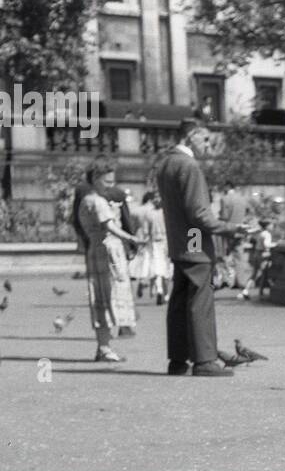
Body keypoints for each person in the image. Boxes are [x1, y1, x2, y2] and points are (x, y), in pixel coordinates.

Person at [154, 116, 235, 377]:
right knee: (201, 301)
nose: (207, 145)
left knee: (179, 301)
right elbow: (199, 214)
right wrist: (231, 228)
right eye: (205, 138)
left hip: (180, 241)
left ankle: (177, 360)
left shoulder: (165, 163)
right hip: (195, 242)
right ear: (191, 136)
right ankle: (205, 360)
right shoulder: (189, 166)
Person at [76, 159, 142, 363]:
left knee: (100, 299)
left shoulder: (85, 200)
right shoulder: (98, 202)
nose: (111, 186)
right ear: (95, 179)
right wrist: (131, 239)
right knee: (110, 295)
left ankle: (103, 346)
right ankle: (104, 348)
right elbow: (109, 227)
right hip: (108, 251)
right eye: (107, 181)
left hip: (95, 250)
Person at [130, 190, 170, 305]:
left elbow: (146, 232)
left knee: (158, 266)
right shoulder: (164, 213)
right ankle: (161, 291)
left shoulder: (151, 213)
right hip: (160, 243)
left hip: (158, 243)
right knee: (161, 267)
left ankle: (158, 289)